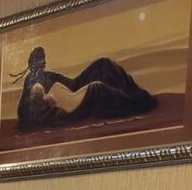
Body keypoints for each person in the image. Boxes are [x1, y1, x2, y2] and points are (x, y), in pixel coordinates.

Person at [12, 46, 156, 132]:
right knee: (96, 88)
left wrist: (73, 87)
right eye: (38, 63)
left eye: (43, 61)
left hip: (72, 92)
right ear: (32, 65)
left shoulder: (48, 76)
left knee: (103, 64)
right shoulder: (30, 83)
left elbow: (71, 83)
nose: (42, 65)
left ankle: (138, 94)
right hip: (70, 109)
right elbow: (26, 118)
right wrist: (53, 108)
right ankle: (137, 104)